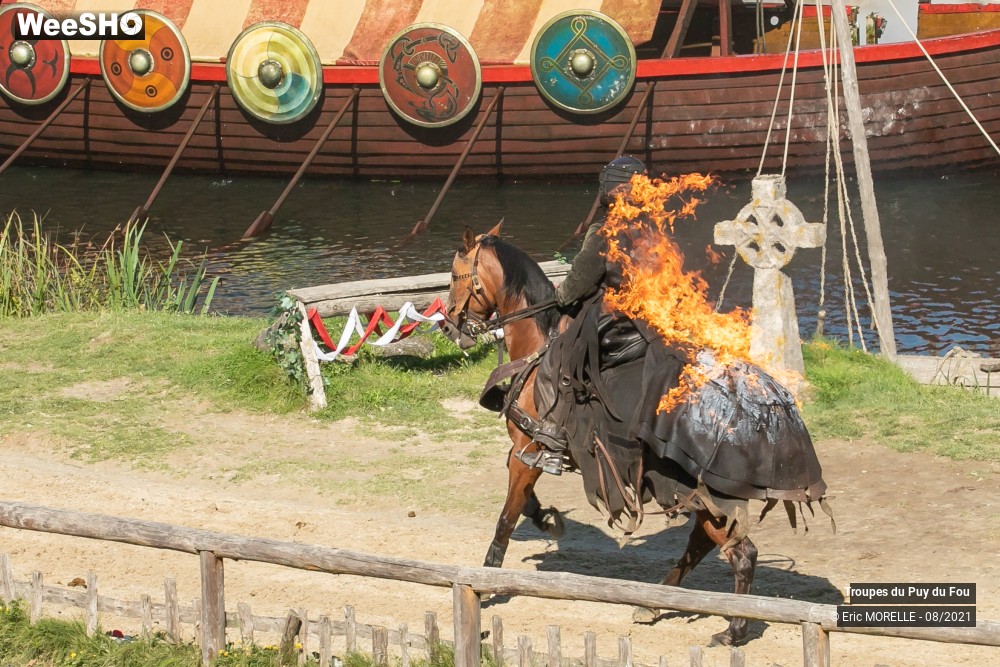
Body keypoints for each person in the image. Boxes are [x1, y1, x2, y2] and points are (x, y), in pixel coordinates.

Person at [527, 156, 648, 473]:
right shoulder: (653, 225)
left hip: (619, 322)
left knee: (558, 357)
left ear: (611, 190)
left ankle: (552, 441)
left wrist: (560, 297)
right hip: (654, 317)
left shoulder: (607, 230)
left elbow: (581, 279)